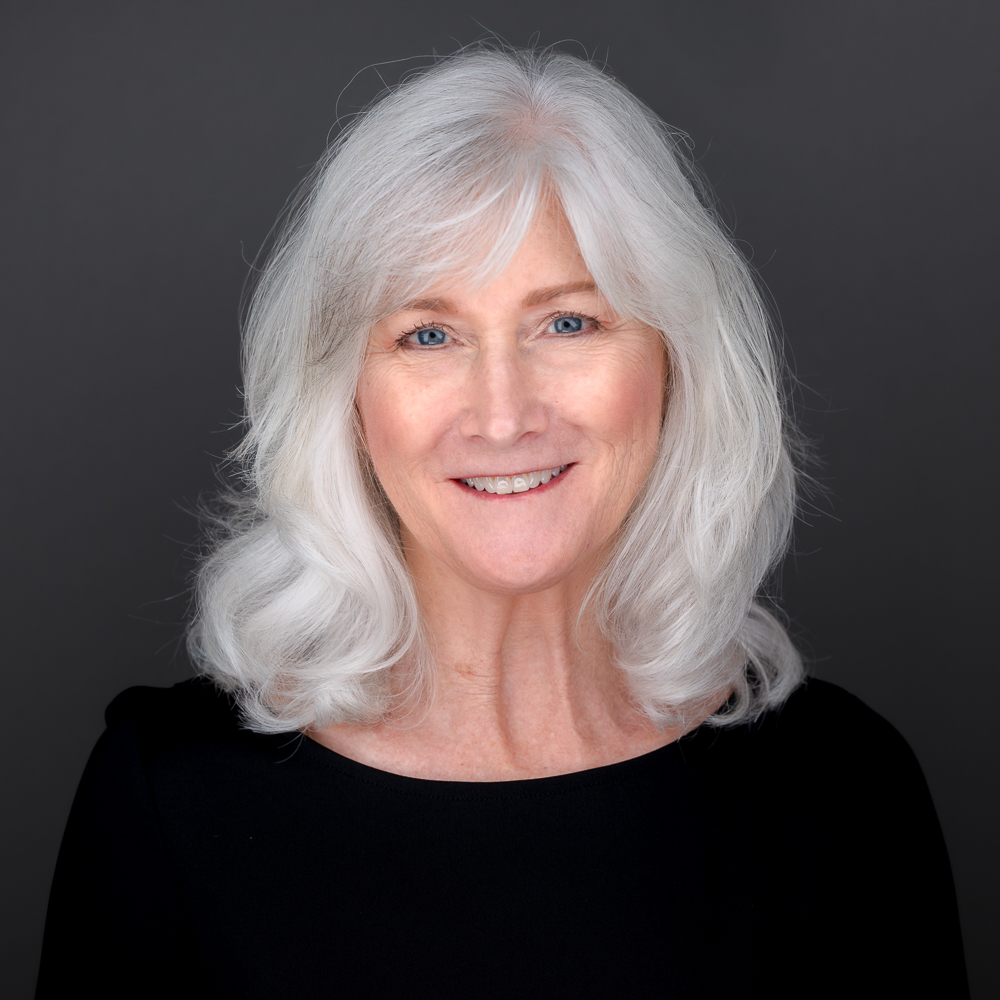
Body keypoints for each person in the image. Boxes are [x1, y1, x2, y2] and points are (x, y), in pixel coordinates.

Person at [37, 47, 968, 998]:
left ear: (675, 365)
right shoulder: (171, 799)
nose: (503, 413)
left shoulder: (846, 793)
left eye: (567, 324)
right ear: (346, 397)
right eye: (427, 336)